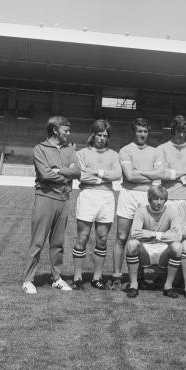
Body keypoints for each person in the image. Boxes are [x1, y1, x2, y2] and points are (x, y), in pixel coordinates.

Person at [22, 116, 80, 294]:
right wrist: (66, 175)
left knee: (58, 243)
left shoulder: (70, 150)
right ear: (55, 130)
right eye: (66, 130)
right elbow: (45, 175)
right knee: (37, 241)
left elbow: (77, 172)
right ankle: (28, 280)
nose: (68, 133)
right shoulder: (39, 149)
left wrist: (59, 170)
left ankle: (57, 278)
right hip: (44, 198)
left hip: (63, 199)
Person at [109, 117, 162, 289]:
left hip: (146, 197)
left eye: (145, 131)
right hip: (128, 195)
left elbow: (159, 174)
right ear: (134, 132)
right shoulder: (125, 150)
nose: (142, 134)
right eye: (139, 131)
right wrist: (149, 174)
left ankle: (138, 276)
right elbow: (129, 177)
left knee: (140, 238)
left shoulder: (155, 151)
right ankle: (117, 275)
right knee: (122, 237)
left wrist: (139, 172)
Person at [71, 119, 122, 290]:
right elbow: (82, 176)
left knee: (102, 238)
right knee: (82, 237)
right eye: (99, 135)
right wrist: (103, 177)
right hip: (88, 196)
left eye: (105, 135)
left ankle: (97, 277)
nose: (102, 138)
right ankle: (77, 277)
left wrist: (97, 173)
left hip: (107, 197)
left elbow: (117, 175)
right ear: (93, 135)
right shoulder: (82, 153)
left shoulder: (114, 155)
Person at [124, 185, 182, 298]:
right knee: (131, 244)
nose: (159, 202)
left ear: (165, 200)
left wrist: (153, 234)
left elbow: (178, 235)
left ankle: (168, 286)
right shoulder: (141, 211)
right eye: (156, 199)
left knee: (177, 246)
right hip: (145, 249)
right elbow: (134, 233)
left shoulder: (172, 211)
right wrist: (166, 235)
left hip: (164, 250)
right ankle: (133, 285)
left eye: (162, 199)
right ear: (149, 199)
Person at [153, 115, 186, 204]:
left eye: (184, 132)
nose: (182, 135)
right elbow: (162, 174)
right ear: (173, 130)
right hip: (167, 198)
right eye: (179, 131)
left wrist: (177, 177)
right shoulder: (161, 149)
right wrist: (185, 172)